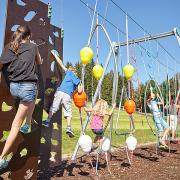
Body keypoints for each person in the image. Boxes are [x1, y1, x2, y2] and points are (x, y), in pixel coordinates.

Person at [0, 25, 43, 169]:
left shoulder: (9, 46)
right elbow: (40, 62)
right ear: (29, 36)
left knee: (33, 92)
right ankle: (2, 157)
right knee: (15, 125)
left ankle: (28, 123)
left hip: (14, 88)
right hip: (27, 89)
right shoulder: (33, 47)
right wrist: (35, 49)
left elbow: (2, 63)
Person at [42, 51, 82, 138]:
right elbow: (79, 91)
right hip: (68, 95)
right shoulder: (77, 79)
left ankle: (47, 122)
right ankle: (68, 128)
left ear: (71, 70)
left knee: (54, 107)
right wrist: (80, 84)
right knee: (68, 112)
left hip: (60, 92)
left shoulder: (69, 72)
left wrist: (55, 55)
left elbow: (60, 63)